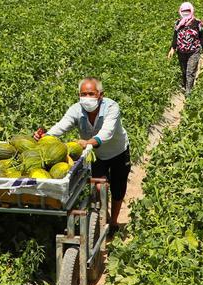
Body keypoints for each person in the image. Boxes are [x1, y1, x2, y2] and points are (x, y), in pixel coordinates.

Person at [35, 78, 131, 226]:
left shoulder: (112, 107)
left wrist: (88, 142)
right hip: (96, 155)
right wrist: (45, 137)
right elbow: (62, 126)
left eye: (91, 94)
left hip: (118, 152)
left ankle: (113, 222)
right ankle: (102, 216)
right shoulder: (76, 109)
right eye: (83, 94)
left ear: (100, 95)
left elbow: (107, 132)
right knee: (99, 187)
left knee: (118, 188)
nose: (87, 98)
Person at [166, 1, 203, 92]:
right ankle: (185, 86)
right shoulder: (178, 23)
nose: (185, 13)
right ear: (180, 11)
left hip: (194, 52)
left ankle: (189, 92)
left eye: (187, 11)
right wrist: (172, 48)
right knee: (184, 71)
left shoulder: (197, 23)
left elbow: (202, 37)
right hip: (181, 52)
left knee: (190, 72)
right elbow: (175, 36)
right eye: (183, 11)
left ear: (191, 11)